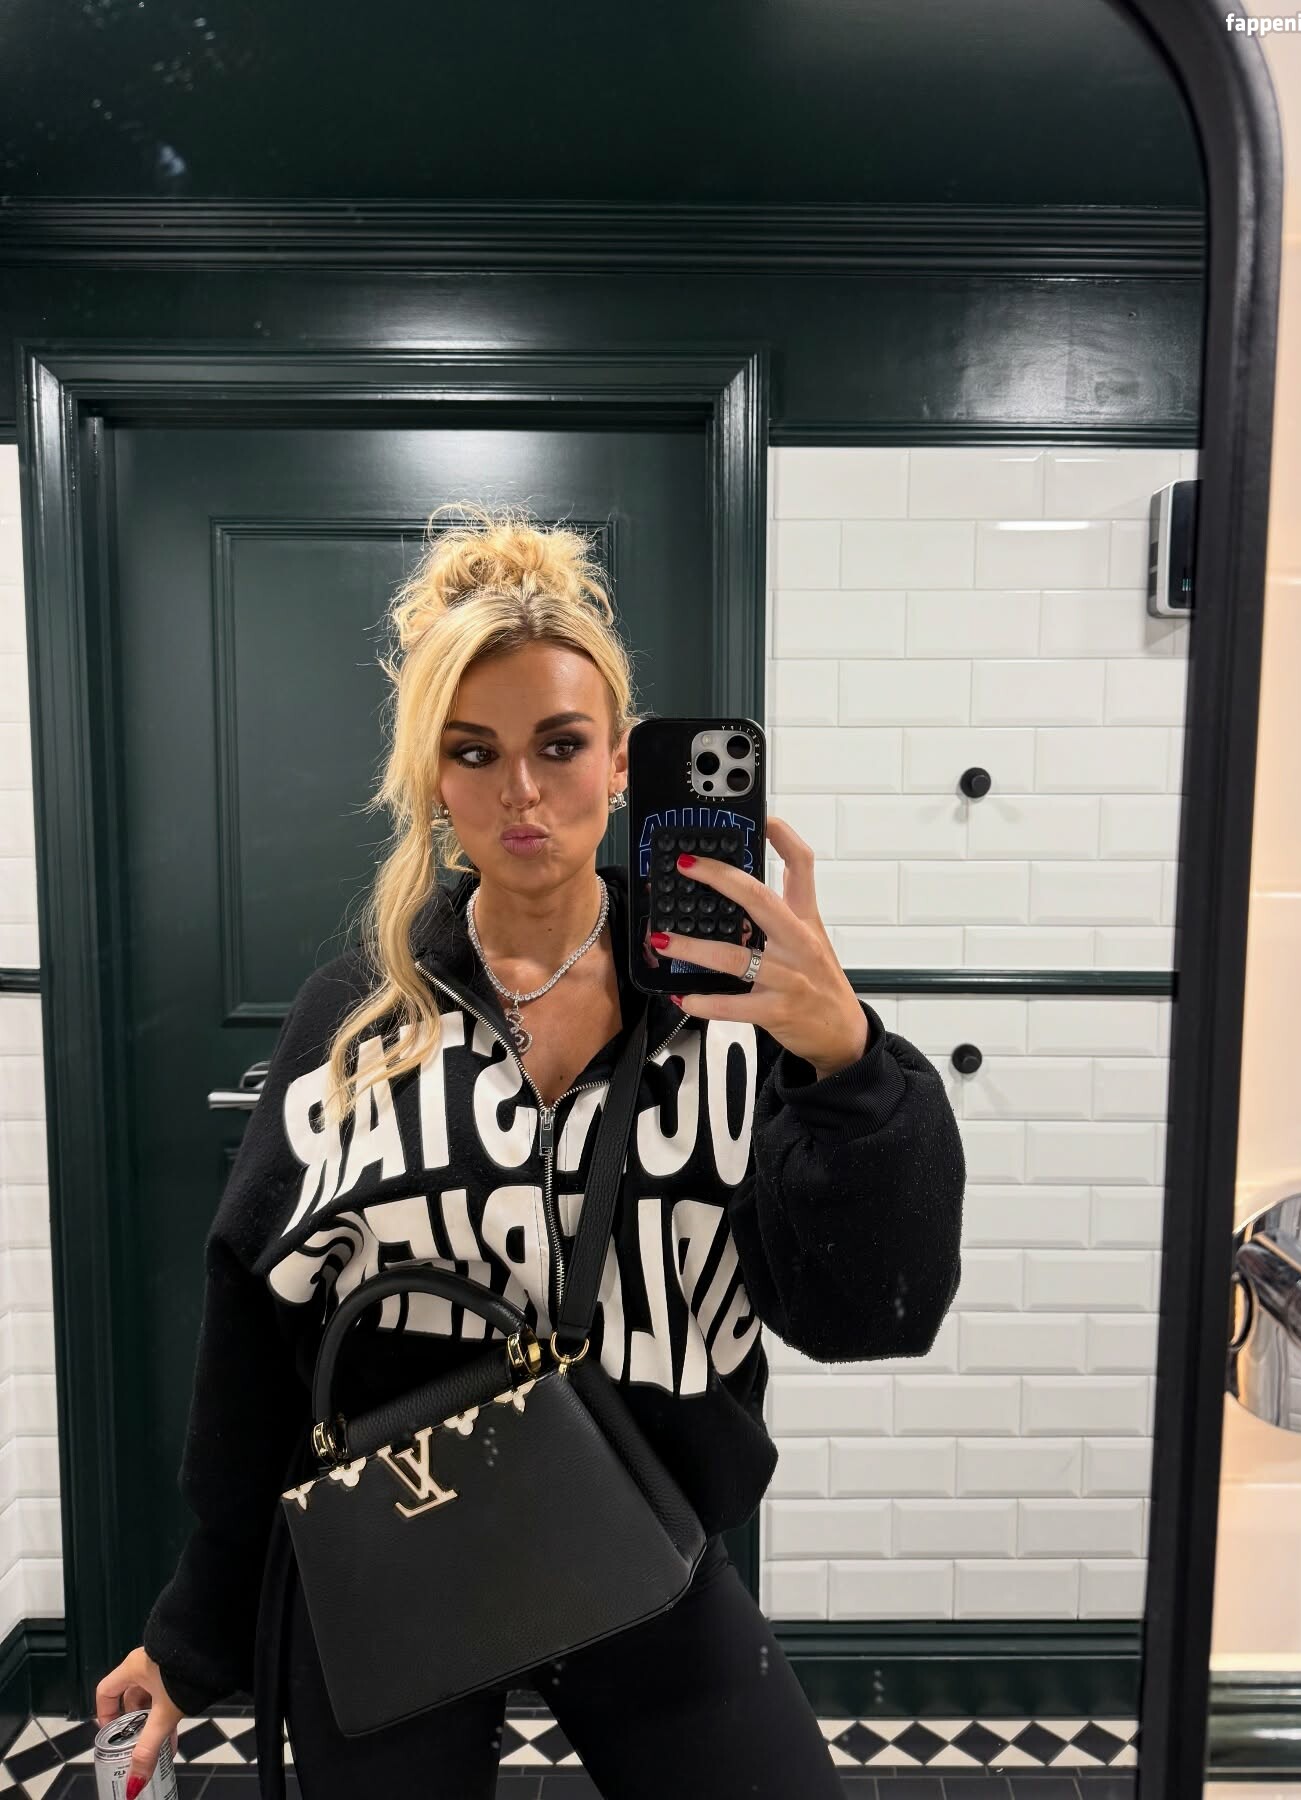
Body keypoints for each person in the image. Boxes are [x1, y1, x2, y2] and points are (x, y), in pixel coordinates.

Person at [96, 500, 966, 1799]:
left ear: (620, 764)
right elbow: (256, 1345)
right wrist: (190, 1632)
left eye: (560, 745)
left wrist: (848, 1064)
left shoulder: (742, 1015)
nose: (521, 790)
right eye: (476, 751)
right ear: (434, 781)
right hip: (398, 1539)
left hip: (644, 1530)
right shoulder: (359, 1025)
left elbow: (875, 1312)